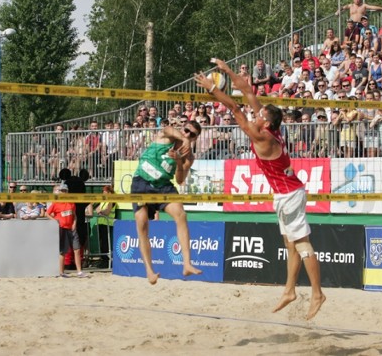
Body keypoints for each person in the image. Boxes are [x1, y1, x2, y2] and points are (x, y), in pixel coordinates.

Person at [195, 59, 325, 320]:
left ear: (267, 123)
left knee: (302, 244)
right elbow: (248, 93)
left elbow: (233, 106)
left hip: (289, 195)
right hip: (285, 193)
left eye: (261, 114)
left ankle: (318, 293)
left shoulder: (262, 137)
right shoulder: (270, 127)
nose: (257, 114)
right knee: (291, 245)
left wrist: (212, 88)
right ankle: (289, 290)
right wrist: (229, 70)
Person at [131, 119, 203, 284]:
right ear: (182, 128)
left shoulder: (188, 156)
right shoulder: (167, 136)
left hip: (163, 185)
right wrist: (183, 139)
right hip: (142, 181)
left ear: (195, 139)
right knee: (141, 223)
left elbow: (179, 179)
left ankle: (187, 263)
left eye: (192, 135)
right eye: (186, 130)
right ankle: (149, 271)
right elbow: (168, 129)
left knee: (181, 214)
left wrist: (178, 160)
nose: (187, 135)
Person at [45, 183, 86, 278]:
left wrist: (74, 224)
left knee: (77, 249)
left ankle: (79, 272)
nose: (63, 192)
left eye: (65, 191)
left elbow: (74, 216)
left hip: (71, 228)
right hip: (62, 228)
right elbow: (47, 214)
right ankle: (61, 272)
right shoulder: (56, 203)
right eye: (62, 191)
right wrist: (55, 221)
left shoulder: (71, 203)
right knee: (63, 252)